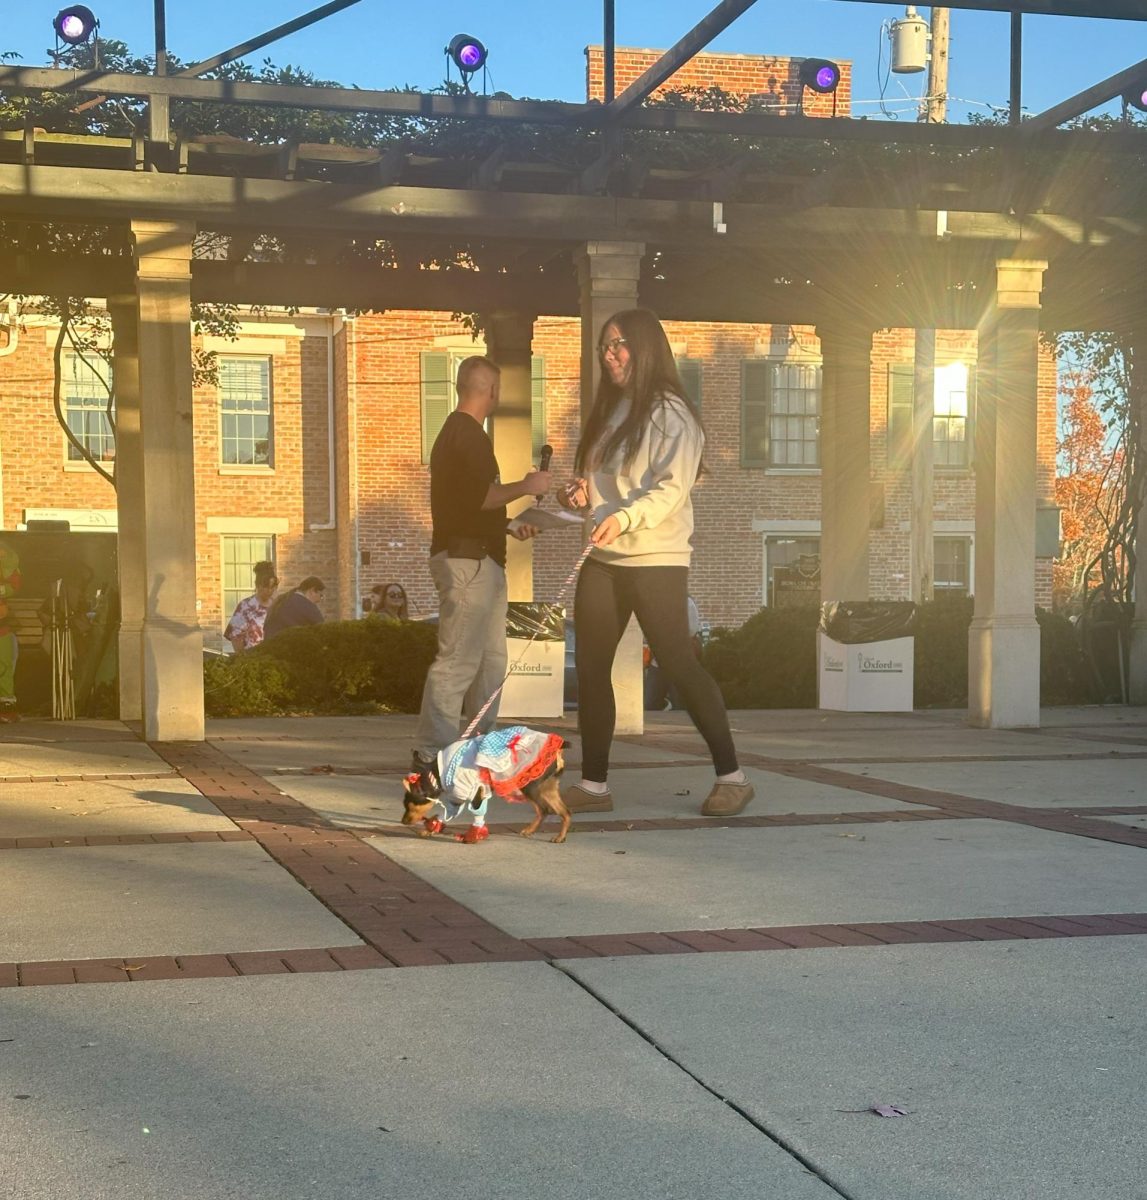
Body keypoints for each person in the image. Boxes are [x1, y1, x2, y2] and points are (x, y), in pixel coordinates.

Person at [558, 308, 754, 818]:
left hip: (657, 559)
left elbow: (670, 490)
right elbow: (608, 487)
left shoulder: (672, 413)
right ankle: (594, 786)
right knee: (593, 669)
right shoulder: (612, 410)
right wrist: (581, 493)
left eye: (619, 343)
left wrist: (623, 519)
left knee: (679, 664)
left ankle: (733, 777)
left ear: (646, 348)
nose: (609, 353)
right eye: (605, 345)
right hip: (605, 558)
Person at [413, 355, 549, 765]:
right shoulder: (466, 434)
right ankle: (432, 755)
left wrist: (507, 526)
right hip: (468, 564)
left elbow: (468, 508)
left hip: (479, 556)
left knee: (491, 662)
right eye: (498, 389)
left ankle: (477, 751)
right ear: (490, 390)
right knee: (458, 660)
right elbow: (480, 497)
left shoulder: (459, 435)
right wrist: (527, 485)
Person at [224, 560, 279, 652]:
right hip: (252, 660)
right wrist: (243, 659)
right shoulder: (245, 607)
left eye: (272, 587)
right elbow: (235, 637)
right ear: (257, 585)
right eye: (265, 587)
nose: (269, 591)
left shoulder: (277, 606)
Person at [263, 576, 325, 640]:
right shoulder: (308, 606)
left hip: (270, 645)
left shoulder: (280, 600)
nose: (320, 600)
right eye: (321, 595)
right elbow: (323, 631)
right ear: (312, 591)